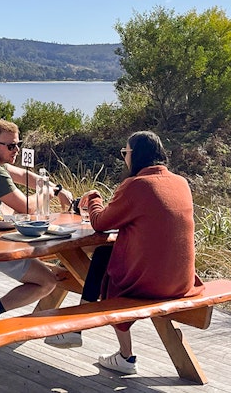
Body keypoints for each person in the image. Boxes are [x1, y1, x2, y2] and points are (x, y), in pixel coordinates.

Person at [77, 131, 203, 375]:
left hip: (151, 285)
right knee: (106, 259)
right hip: (182, 281)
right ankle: (76, 330)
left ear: (134, 155)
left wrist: (93, 198)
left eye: (125, 153)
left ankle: (122, 354)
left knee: (106, 269)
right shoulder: (181, 182)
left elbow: (100, 222)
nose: (124, 158)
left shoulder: (136, 185)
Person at [0, 119, 73, 328]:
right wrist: (48, 193)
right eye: (10, 146)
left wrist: (57, 189)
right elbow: (27, 207)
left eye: (18, 144)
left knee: (58, 272)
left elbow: (25, 176)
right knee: (48, 280)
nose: (16, 149)